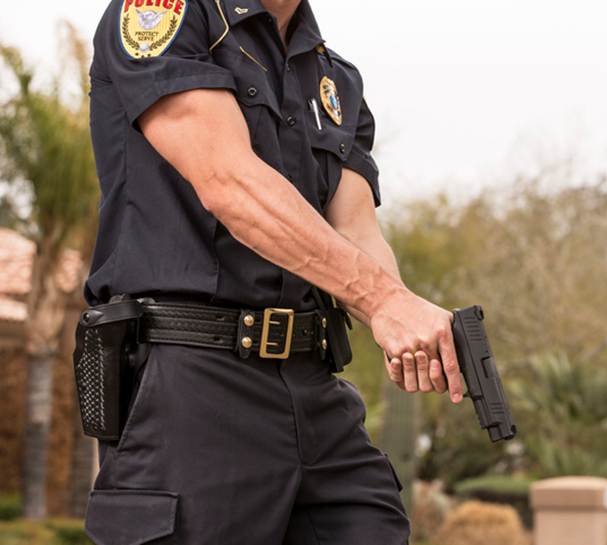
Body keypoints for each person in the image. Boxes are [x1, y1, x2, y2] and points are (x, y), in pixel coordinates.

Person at [81, 0, 463, 543]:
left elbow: (355, 232)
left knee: (372, 523)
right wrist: (382, 301)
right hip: (192, 379)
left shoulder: (334, 78)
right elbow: (229, 183)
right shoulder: (167, 16)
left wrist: (406, 320)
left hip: (314, 382)